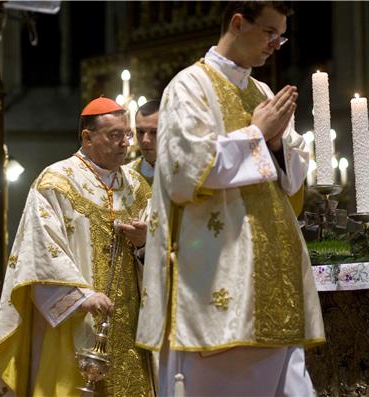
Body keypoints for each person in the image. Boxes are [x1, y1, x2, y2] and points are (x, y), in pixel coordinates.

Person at [135, 2, 325, 396]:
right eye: (269, 33)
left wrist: (274, 143)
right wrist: (256, 136)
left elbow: (292, 178)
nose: (276, 45)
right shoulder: (188, 86)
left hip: (276, 280)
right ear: (238, 23)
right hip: (218, 289)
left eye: (281, 36)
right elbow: (185, 172)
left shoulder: (262, 91)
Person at [0, 97, 154, 396]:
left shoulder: (138, 187)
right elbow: (39, 251)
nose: (125, 144)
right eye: (114, 135)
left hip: (129, 321)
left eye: (126, 135)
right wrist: (80, 297)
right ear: (87, 137)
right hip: (75, 318)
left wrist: (144, 243)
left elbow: (160, 248)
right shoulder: (56, 182)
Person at [126, 100, 160, 185]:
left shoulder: (181, 173)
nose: (145, 140)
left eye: (154, 132)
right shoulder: (126, 175)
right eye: (140, 132)